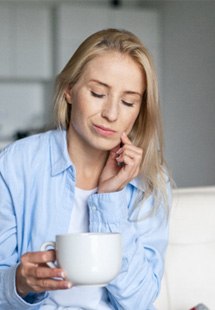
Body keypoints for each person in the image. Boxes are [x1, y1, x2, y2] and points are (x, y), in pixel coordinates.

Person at [0, 28, 172, 309]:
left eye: (128, 102)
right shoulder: (16, 164)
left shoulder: (151, 180)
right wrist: (19, 282)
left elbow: (140, 301)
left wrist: (109, 199)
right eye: (97, 93)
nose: (112, 114)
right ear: (69, 90)